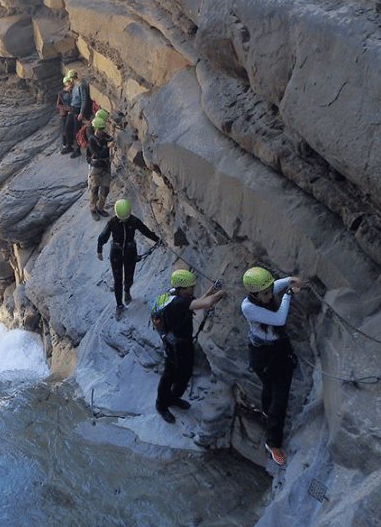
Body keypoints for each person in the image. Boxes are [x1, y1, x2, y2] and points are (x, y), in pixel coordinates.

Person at [240, 266, 303, 465]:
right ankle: (273, 442)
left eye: (269, 291)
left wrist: (290, 280)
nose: (269, 295)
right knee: (279, 396)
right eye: (265, 293)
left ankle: (268, 415)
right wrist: (288, 295)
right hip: (264, 354)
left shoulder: (262, 293)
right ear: (254, 294)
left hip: (273, 348)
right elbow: (279, 318)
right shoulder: (248, 306)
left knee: (271, 389)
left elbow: (276, 285)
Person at [155, 269, 227, 424]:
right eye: (190, 286)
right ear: (181, 288)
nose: (193, 288)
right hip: (173, 346)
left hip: (184, 343)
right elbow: (206, 303)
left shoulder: (180, 295)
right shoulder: (178, 303)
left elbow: (199, 301)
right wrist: (220, 294)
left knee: (186, 373)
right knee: (169, 376)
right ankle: (161, 405)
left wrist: (211, 291)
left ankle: (174, 398)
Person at [97, 198, 160, 320]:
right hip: (116, 252)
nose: (125, 219)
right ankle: (119, 305)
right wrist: (99, 249)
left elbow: (145, 230)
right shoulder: (112, 223)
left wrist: (157, 239)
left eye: (126, 216)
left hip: (130, 251)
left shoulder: (133, 220)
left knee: (129, 276)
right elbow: (103, 236)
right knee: (117, 280)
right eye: (123, 217)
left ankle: (127, 291)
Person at [86, 117, 114, 221]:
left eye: (103, 129)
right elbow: (98, 153)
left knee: (105, 189)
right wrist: (107, 147)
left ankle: (100, 208)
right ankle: (93, 209)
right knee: (94, 189)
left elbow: (110, 138)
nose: (102, 131)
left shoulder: (103, 136)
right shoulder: (92, 141)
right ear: (96, 128)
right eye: (101, 129)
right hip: (96, 168)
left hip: (105, 166)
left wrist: (112, 141)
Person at [65, 69, 90, 158]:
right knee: (67, 127)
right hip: (72, 108)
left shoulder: (81, 85)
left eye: (70, 78)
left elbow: (84, 99)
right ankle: (69, 146)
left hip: (77, 109)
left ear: (73, 77)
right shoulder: (74, 85)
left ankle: (77, 150)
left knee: (76, 130)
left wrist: (82, 112)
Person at [57, 76, 74, 154]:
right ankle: (66, 145)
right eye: (68, 82)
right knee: (65, 130)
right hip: (64, 114)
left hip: (70, 113)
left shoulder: (71, 91)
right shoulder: (61, 93)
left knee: (69, 129)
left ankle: (70, 144)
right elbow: (59, 104)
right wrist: (67, 108)